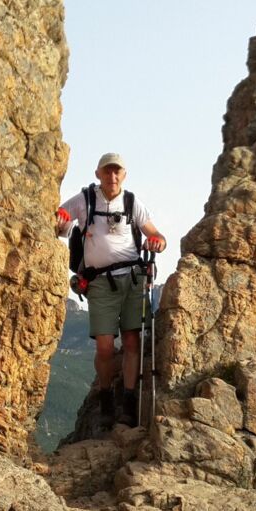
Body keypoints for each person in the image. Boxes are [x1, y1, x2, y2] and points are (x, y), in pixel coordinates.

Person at [56, 153, 166, 427]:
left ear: (124, 175)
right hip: (100, 283)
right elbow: (62, 218)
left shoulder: (131, 202)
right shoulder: (85, 199)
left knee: (131, 340)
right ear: (98, 174)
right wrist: (60, 222)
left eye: (117, 172)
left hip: (132, 278)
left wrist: (157, 243)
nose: (112, 177)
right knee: (105, 347)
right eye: (108, 172)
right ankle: (106, 394)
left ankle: (128, 401)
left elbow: (156, 234)